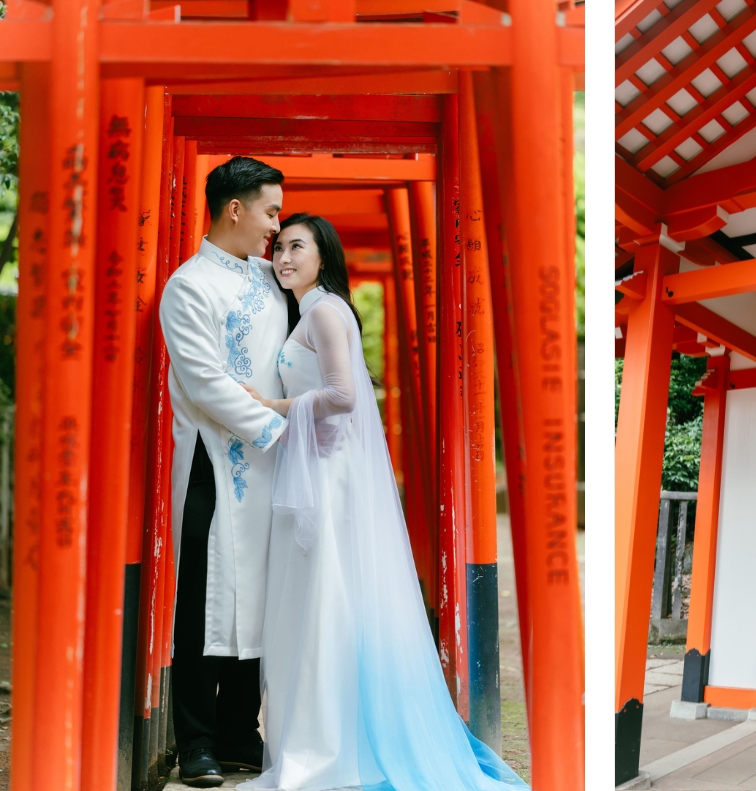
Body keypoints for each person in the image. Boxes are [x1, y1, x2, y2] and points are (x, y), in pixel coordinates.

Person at [236, 214, 527, 791]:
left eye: (298, 246)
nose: (284, 256)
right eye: (279, 246)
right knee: (328, 605)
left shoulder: (321, 310)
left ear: (324, 256)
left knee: (322, 606)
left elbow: (344, 397)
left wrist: (269, 404)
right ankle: (332, 737)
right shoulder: (324, 309)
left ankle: (327, 748)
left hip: (326, 479)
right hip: (321, 472)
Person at [158, 156, 289, 787]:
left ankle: (242, 730)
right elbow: (205, 381)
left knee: (261, 599)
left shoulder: (272, 277)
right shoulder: (187, 286)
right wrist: (280, 430)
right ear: (234, 209)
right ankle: (197, 740)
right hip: (216, 465)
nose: (276, 225)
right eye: (270, 211)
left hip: (277, 468)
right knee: (205, 602)